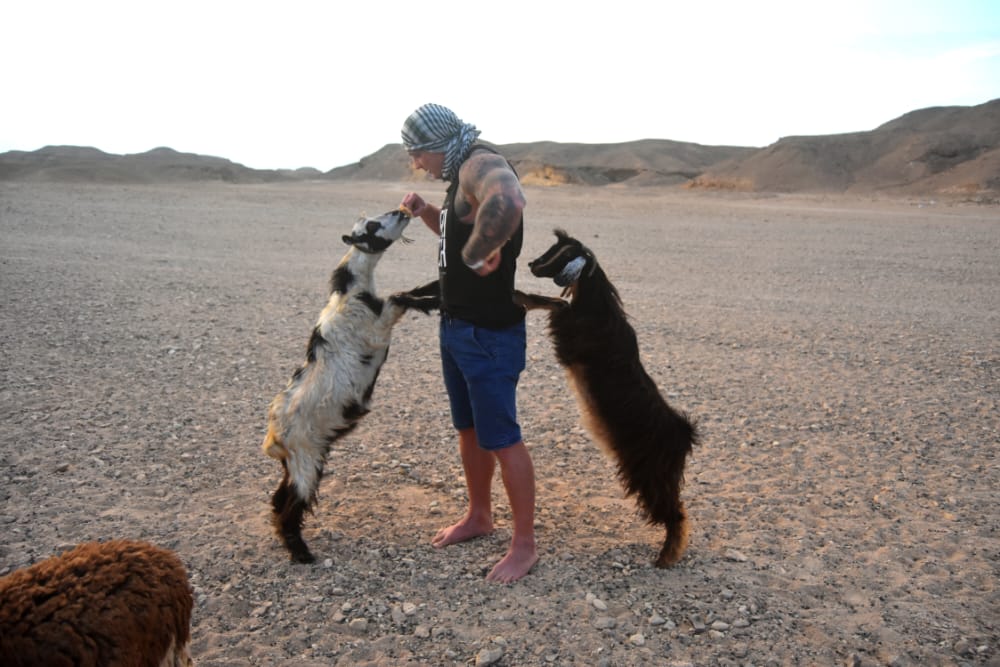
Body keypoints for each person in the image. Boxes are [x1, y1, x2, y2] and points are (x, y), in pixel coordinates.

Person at [399, 103, 537, 583]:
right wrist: (426, 215)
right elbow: (459, 227)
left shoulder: (479, 162)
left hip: (488, 333)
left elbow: (509, 201)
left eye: (418, 153)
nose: (418, 163)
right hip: (456, 327)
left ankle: (524, 545)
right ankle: (480, 515)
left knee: (502, 437)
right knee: (469, 430)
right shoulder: (458, 176)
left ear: (438, 143)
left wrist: (482, 250)